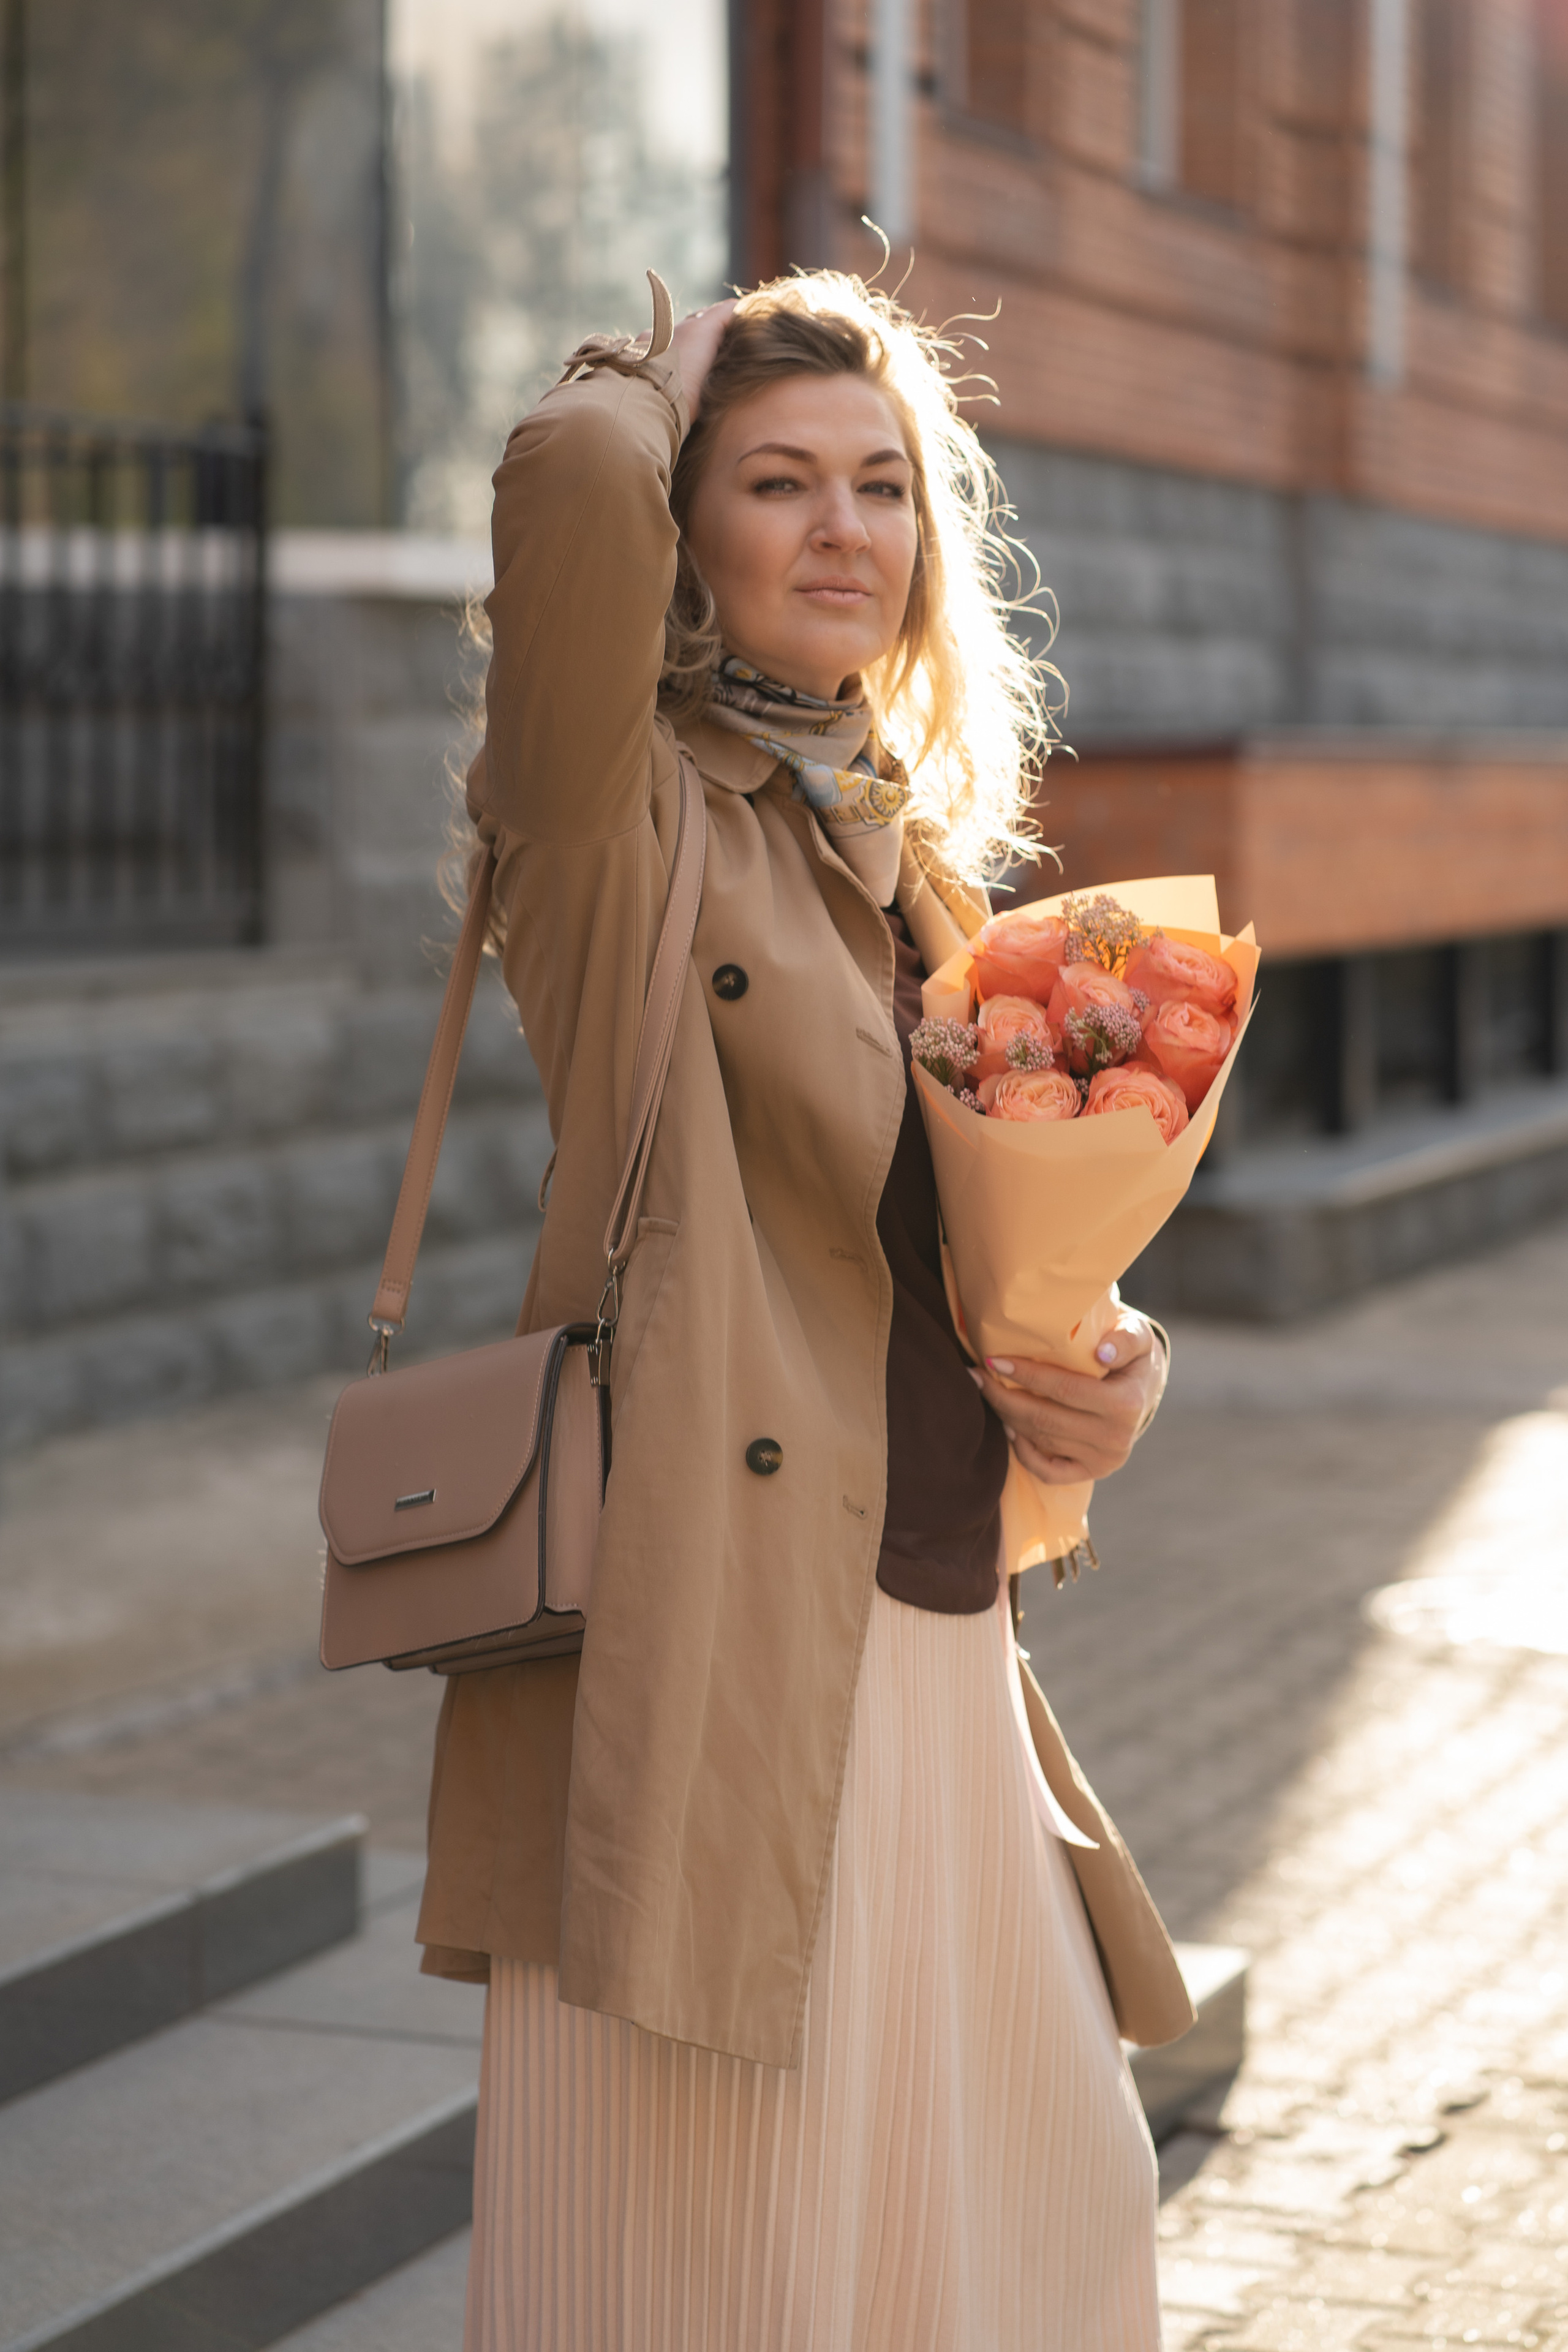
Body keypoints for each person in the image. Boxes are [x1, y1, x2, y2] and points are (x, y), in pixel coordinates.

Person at [418, 268, 1196, 2352]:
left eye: (884, 482)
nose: (846, 528)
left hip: (938, 1632)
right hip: (722, 1638)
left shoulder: (915, 863)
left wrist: (1106, 1370)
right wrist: (662, 369)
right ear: (682, 523)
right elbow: (564, 488)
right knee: (730, 2251)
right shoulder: (614, 816)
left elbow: (975, 1256)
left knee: (1035, 2215)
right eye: (774, 482)